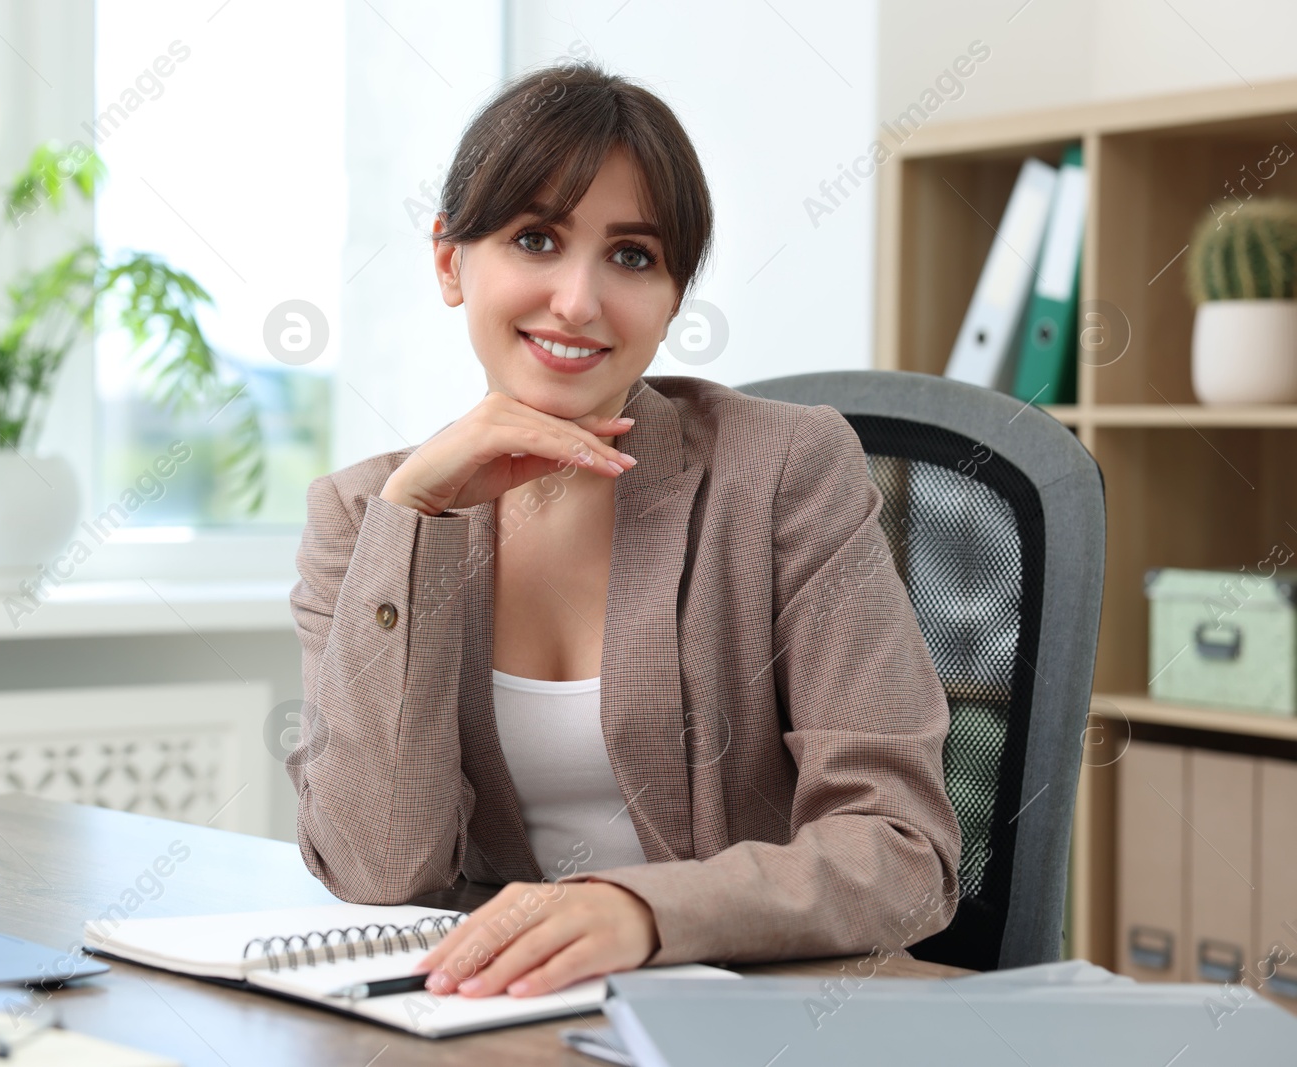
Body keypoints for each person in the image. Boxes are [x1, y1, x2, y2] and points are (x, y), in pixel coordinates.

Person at [286, 59, 961, 1001]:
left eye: (633, 256)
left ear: (675, 295)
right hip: (499, 1022)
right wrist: (417, 523)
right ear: (450, 261)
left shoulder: (784, 471)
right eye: (535, 238)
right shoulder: (362, 518)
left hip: (761, 1018)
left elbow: (902, 851)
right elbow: (377, 872)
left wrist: (642, 913)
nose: (578, 300)